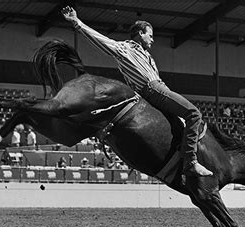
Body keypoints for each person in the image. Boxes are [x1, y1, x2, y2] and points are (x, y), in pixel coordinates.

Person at [61, 6, 213, 177]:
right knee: (194, 114)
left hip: (155, 92)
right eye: (150, 35)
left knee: (178, 124)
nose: (152, 40)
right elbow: (101, 40)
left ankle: (177, 159)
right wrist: (77, 23)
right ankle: (191, 162)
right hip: (153, 89)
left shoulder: (146, 56)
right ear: (140, 33)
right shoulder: (126, 49)